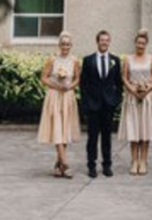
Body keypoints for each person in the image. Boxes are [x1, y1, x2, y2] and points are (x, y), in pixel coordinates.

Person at [37, 31, 82, 178]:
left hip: (68, 97)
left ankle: (58, 165)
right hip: (55, 96)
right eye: (63, 44)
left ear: (71, 46)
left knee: (64, 129)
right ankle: (65, 164)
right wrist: (56, 85)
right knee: (57, 127)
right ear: (59, 45)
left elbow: (77, 79)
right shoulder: (52, 60)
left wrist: (69, 87)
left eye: (68, 44)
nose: (65, 46)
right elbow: (43, 78)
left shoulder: (74, 61)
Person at [80, 30, 123, 179]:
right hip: (93, 105)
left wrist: (116, 101)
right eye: (101, 40)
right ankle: (91, 166)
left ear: (109, 42)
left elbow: (119, 83)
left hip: (108, 105)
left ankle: (107, 165)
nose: (104, 42)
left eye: (106, 40)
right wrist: (85, 105)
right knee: (92, 138)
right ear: (97, 42)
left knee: (107, 137)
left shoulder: (115, 60)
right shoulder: (88, 60)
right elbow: (83, 85)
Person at [118, 29, 152, 175]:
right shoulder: (128, 59)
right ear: (135, 43)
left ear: (146, 44)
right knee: (134, 129)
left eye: (143, 43)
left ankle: (143, 160)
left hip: (147, 97)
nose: (140, 45)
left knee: (145, 129)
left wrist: (146, 90)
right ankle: (134, 160)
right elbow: (124, 77)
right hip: (132, 96)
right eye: (138, 42)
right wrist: (133, 90)